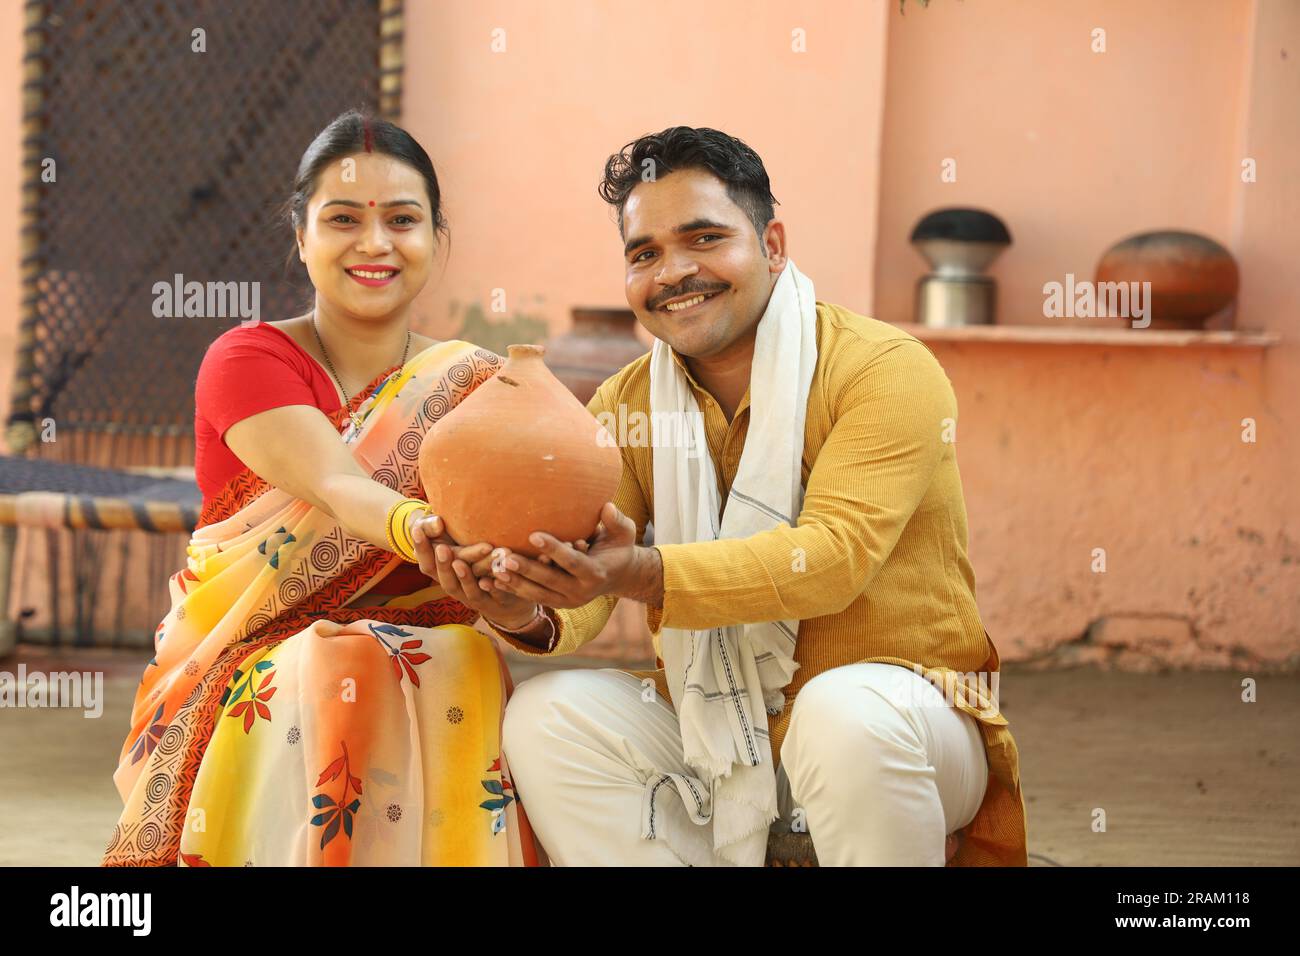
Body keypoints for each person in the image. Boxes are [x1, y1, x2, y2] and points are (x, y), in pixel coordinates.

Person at [466, 126, 1028, 866]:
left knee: (842, 715)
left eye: (703, 238)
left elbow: (832, 560)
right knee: (547, 715)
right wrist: (521, 605)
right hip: (724, 735)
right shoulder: (627, 402)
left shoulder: (883, 370)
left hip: (908, 719)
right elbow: (588, 587)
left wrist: (647, 572)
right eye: (645, 254)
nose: (674, 272)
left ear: (772, 245)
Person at [103, 109, 554, 867]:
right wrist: (419, 529)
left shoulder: (474, 384)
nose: (375, 244)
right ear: (301, 236)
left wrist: (519, 602)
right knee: (344, 659)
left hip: (432, 658)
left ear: (435, 240)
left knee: (461, 661)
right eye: (343, 218)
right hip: (250, 660)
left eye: (402, 220)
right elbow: (338, 484)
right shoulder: (246, 357)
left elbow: (520, 575)